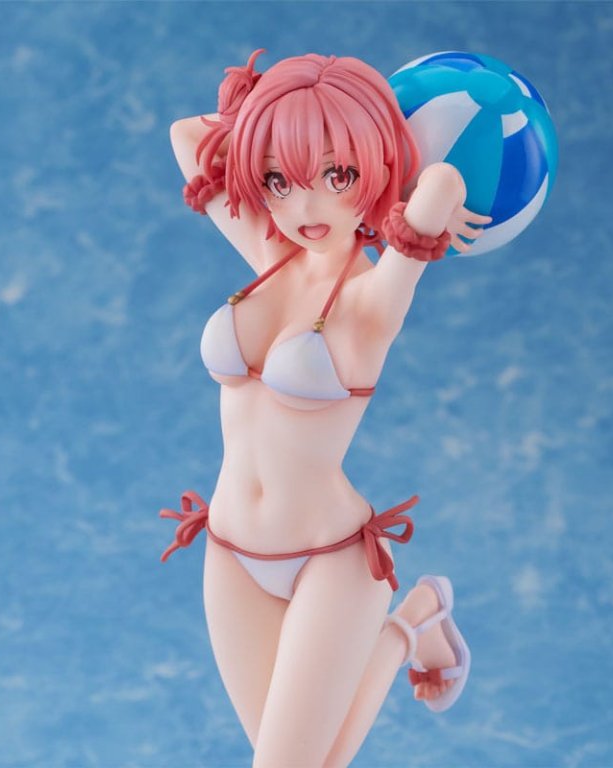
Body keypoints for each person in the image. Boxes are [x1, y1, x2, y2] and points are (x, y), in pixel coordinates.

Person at [162, 49, 489, 767]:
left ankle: (406, 620)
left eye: (335, 176)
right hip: (230, 549)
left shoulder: (373, 300)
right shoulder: (267, 250)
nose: (303, 208)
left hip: (331, 559)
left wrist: (388, 155)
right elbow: (187, 135)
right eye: (278, 180)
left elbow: (441, 184)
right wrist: (276, 114)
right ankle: (414, 622)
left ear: (374, 171)